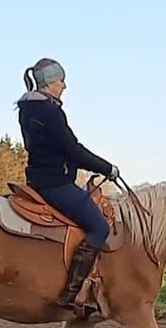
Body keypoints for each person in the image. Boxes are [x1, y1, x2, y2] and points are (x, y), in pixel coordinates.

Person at [15, 57, 120, 312]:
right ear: (49, 82)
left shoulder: (28, 110)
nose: (64, 86)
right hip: (55, 184)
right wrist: (107, 168)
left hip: (37, 179)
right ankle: (71, 294)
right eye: (61, 80)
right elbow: (72, 150)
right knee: (98, 227)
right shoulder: (50, 111)